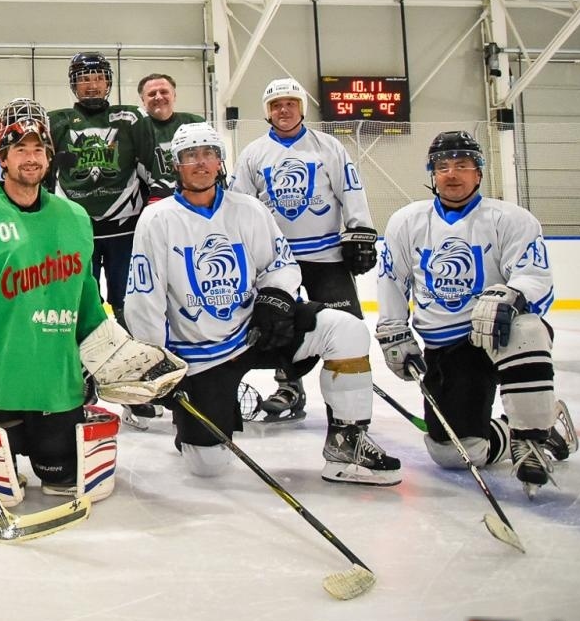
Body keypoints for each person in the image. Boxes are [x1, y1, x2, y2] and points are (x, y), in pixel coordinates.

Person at [0, 99, 185, 505]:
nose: (30, 159)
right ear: (2, 157)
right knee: (1, 490)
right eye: (20, 149)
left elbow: (87, 305)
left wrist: (120, 357)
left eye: (38, 150)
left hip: (56, 392)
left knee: (64, 478)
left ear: (50, 158)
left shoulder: (74, 217)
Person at [126, 122, 400, 485]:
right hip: (200, 354)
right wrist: (159, 366)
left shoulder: (249, 209)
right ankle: (197, 425)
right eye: (190, 156)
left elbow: (281, 264)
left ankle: (346, 444)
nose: (201, 163)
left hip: (256, 332)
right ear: (176, 165)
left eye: (208, 153)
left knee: (347, 330)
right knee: (207, 466)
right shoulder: (157, 219)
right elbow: (144, 297)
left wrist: (277, 296)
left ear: (220, 161)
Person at [375, 131, 577, 495]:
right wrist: (394, 329)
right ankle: (525, 428)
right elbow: (391, 278)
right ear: (432, 174)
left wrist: (512, 296)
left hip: (500, 337)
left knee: (528, 327)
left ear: (479, 173)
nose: (452, 174)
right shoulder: (406, 222)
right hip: (448, 348)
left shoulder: (512, 219)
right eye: (443, 166)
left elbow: (535, 278)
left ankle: (532, 439)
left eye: (462, 165)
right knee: (454, 453)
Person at [229, 77, 378, 421]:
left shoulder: (329, 147)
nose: (284, 110)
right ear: (268, 112)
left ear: (301, 108)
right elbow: (240, 205)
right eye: (276, 105)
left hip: (327, 257)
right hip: (277, 262)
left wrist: (361, 231)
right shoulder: (253, 154)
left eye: (290, 103)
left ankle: (347, 397)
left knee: (346, 326)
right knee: (280, 325)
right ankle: (289, 386)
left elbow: (351, 190)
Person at [48, 52, 161, 324]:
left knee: (128, 299)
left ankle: (133, 357)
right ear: (74, 84)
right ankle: (86, 358)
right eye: (84, 79)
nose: (92, 84)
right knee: (81, 299)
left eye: (98, 77)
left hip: (124, 226)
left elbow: (151, 163)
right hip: (76, 227)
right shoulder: (56, 121)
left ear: (108, 81)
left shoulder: (131, 117)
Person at [137, 73, 204, 198]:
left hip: (193, 198)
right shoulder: (135, 128)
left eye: (164, 92)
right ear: (143, 100)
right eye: (152, 94)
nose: (158, 97)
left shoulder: (195, 123)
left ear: (174, 96)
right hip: (152, 201)